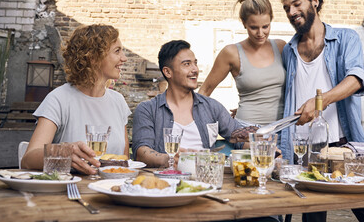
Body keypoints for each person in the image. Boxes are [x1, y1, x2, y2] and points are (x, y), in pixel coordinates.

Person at [280, 0, 364, 222]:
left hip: (344, 149)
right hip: (304, 153)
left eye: (297, 4)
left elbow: (356, 79)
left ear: (315, 1)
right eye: (286, 8)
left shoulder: (345, 38)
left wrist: (319, 102)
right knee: (312, 218)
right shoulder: (288, 51)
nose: (291, 11)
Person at [21, 24, 131, 175]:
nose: (124, 58)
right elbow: (28, 159)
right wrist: (64, 152)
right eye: (117, 51)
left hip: (110, 189)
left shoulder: (118, 101)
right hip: (70, 190)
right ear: (93, 58)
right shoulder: (59, 99)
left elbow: (124, 161)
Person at [132, 40, 244, 168]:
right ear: (168, 72)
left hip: (205, 180)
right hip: (166, 181)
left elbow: (240, 138)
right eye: (187, 64)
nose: (195, 69)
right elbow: (141, 152)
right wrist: (169, 159)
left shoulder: (212, 107)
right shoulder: (148, 109)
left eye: (195, 63)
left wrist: (263, 141)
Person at [198, 0, 286, 127]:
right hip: (246, 130)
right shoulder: (231, 53)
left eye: (265, 26)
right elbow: (204, 91)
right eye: (253, 27)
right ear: (244, 23)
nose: (260, 33)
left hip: (282, 129)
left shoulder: (281, 47)